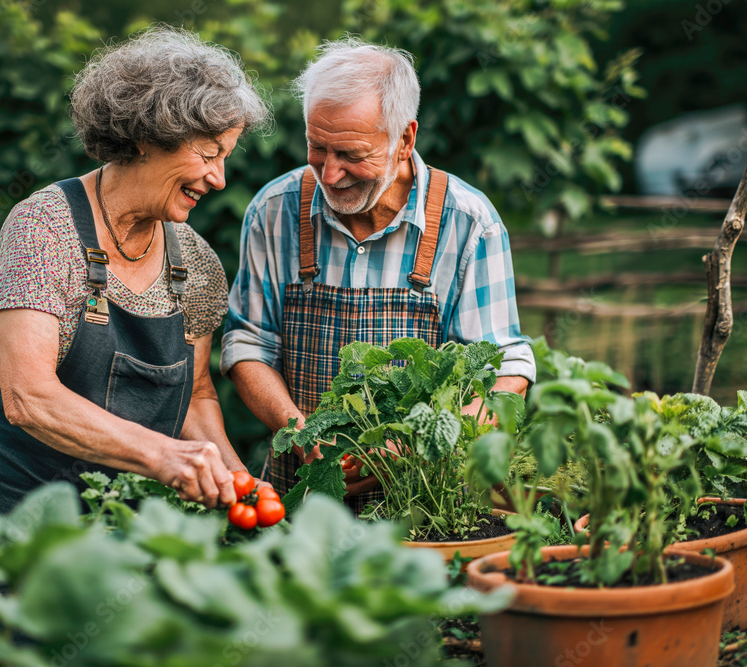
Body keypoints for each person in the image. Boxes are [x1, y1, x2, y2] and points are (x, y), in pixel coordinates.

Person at [0, 28, 271, 514]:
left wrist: (234, 480)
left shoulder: (197, 262)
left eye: (225, 158)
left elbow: (196, 395)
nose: (219, 178)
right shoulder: (45, 227)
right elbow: (27, 396)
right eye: (209, 155)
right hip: (14, 515)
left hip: (119, 519)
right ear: (148, 137)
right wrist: (164, 456)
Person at [221, 38, 536, 510]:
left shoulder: (468, 222)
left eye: (350, 153)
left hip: (425, 504)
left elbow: (504, 372)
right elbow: (247, 345)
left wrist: (406, 452)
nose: (329, 174)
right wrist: (297, 429)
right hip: (303, 493)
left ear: (405, 140)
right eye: (316, 147)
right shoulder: (274, 210)